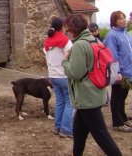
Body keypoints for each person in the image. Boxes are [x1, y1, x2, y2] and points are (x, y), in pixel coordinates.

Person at [62, 14, 122, 156]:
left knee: (102, 136)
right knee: (79, 132)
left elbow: (75, 73)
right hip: (93, 94)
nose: (67, 33)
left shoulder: (79, 45)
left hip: (87, 98)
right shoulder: (94, 40)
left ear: (74, 29)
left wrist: (64, 61)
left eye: (68, 30)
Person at [43, 17, 73, 138]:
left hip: (52, 75)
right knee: (70, 102)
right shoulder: (65, 40)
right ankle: (66, 129)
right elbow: (71, 55)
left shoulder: (47, 40)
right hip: (64, 75)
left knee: (60, 101)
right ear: (62, 27)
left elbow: (46, 56)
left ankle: (58, 126)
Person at [103, 10, 132, 132]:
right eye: (120, 18)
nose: (123, 20)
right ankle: (117, 123)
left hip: (128, 72)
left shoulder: (126, 34)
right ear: (114, 21)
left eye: (124, 17)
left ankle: (123, 118)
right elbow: (113, 55)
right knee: (117, 97)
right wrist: (118, 71)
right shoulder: (112, 35)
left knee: (123, 96)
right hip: (120, 73)